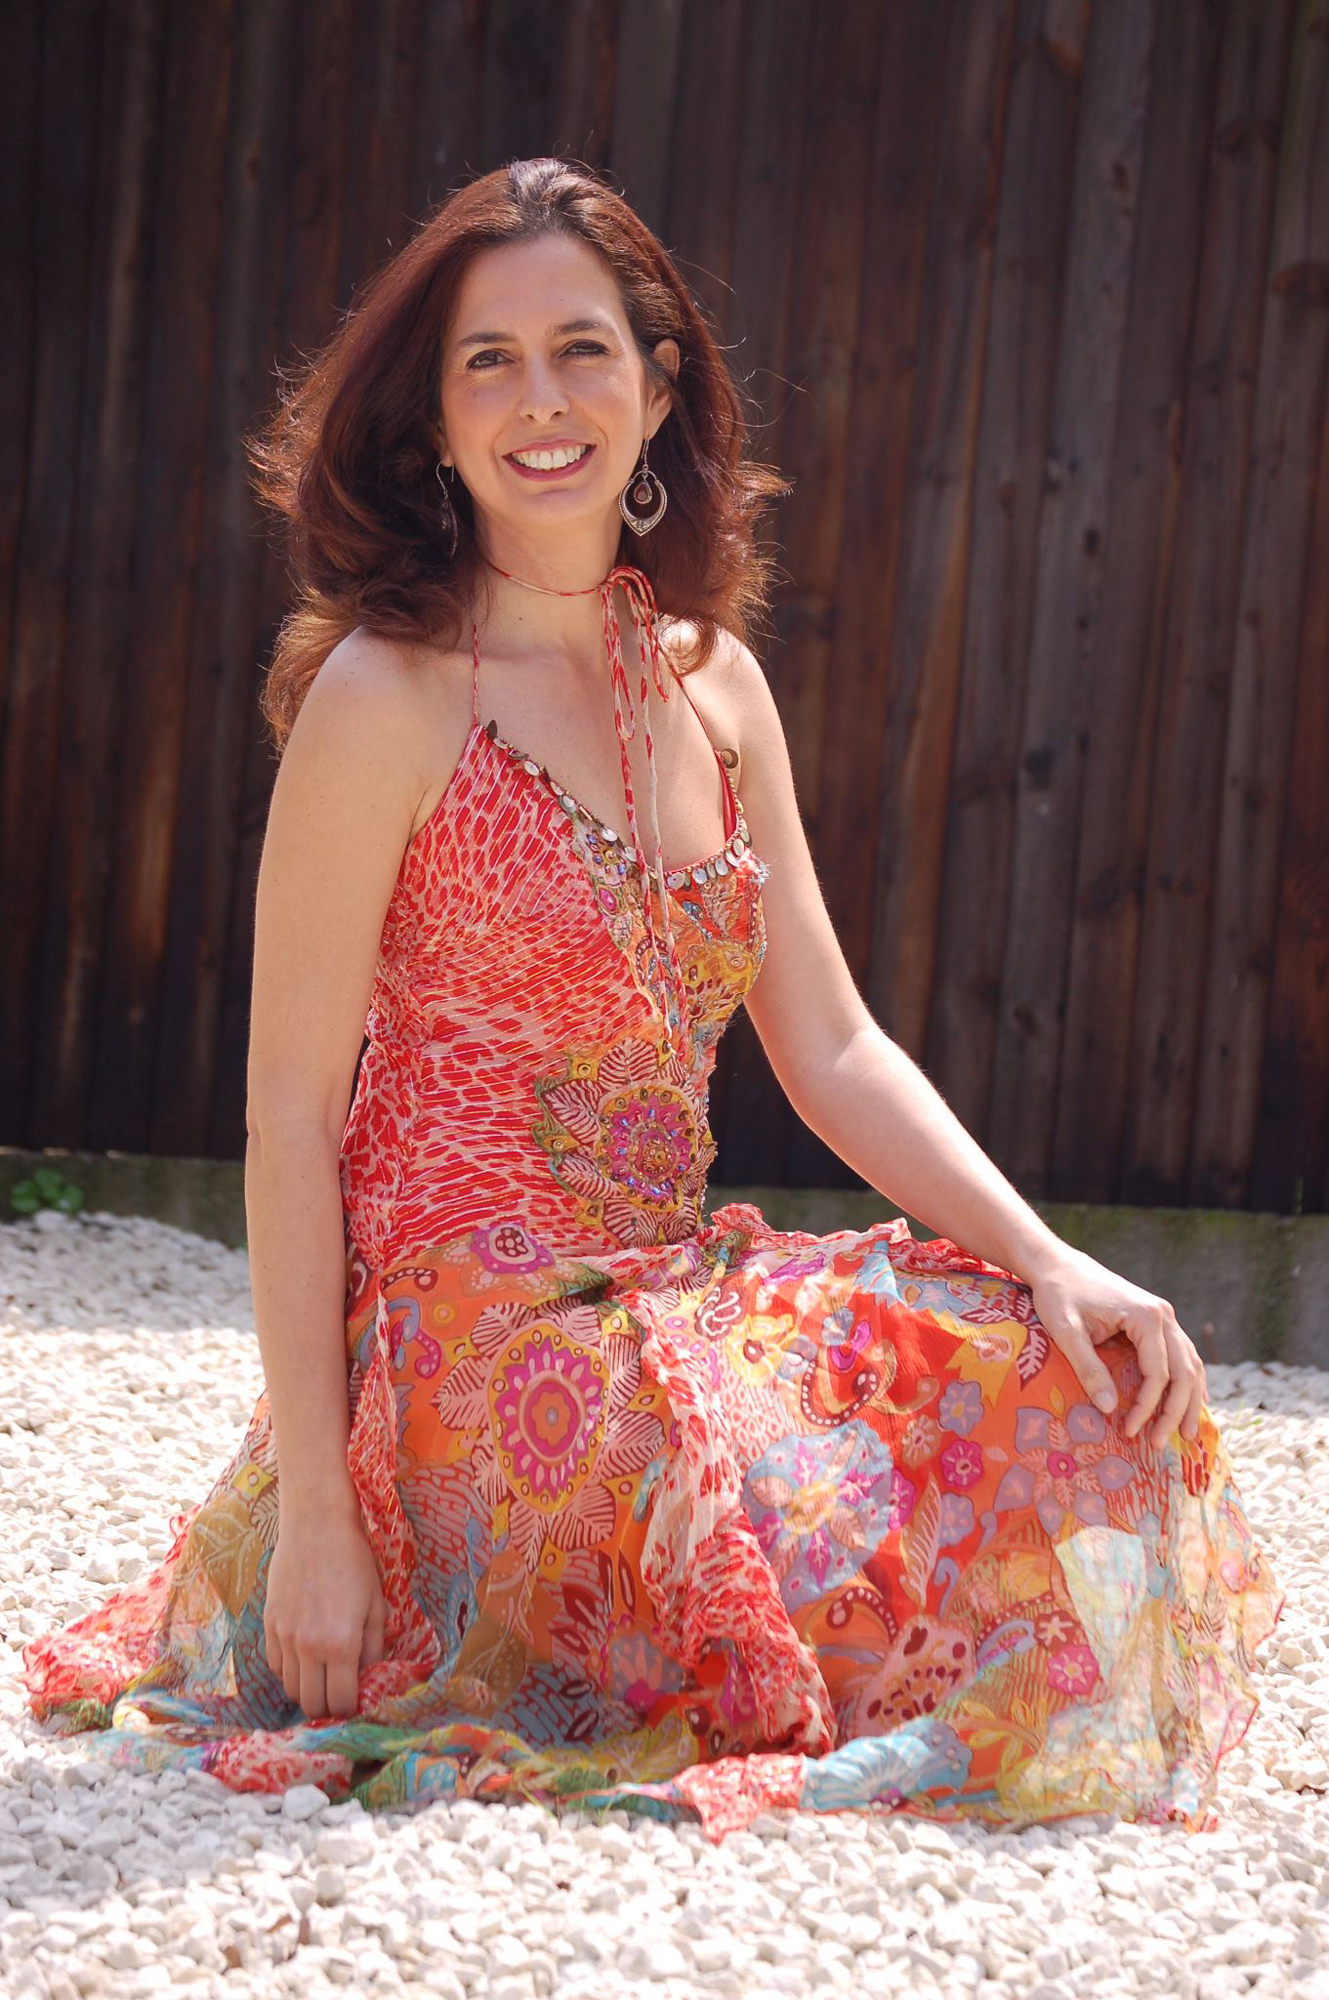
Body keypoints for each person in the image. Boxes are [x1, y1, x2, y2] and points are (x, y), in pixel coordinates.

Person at [23, 157, 1283, 1843]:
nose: (540, 401)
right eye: (489, 361)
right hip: (459, 1347)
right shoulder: (380, 698)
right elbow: (287, 1122)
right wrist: (320, 1506)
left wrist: (1050, 1258)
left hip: (672, 1288)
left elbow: (829, 1044)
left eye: (581, 349)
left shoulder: (716, 686)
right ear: (435, 418)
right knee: (732, 1515)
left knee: (1049, 1378)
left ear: (658, 382)